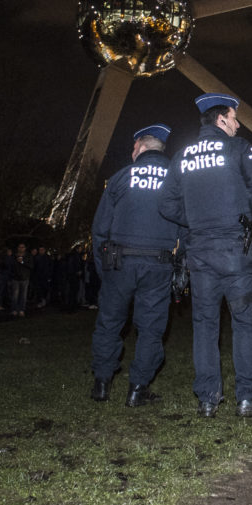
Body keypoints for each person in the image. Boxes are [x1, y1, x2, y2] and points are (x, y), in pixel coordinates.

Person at [158, 93, 252, 419]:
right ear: (221, 119)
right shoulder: (238, 148)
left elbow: (166, 204)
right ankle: (249, 397)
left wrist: (197, 219)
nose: (238, 125)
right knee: (245, 322)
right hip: (234, 249)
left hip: (199, 252)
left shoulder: (183, 155)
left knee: (204, 324)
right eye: (234, 118)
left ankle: (207, 399)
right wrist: (246, 219)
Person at [89, 124, 180, 407]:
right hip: (158, 264)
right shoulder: (176, 179)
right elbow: (186, 227)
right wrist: (179, 263)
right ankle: (137, 389)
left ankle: (101, 384)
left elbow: (100, 229)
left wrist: (102, 268)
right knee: (151, 329)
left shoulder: (120, 178)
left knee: (109, 323)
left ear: (140, 146)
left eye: (133, 147)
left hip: (119, 262)